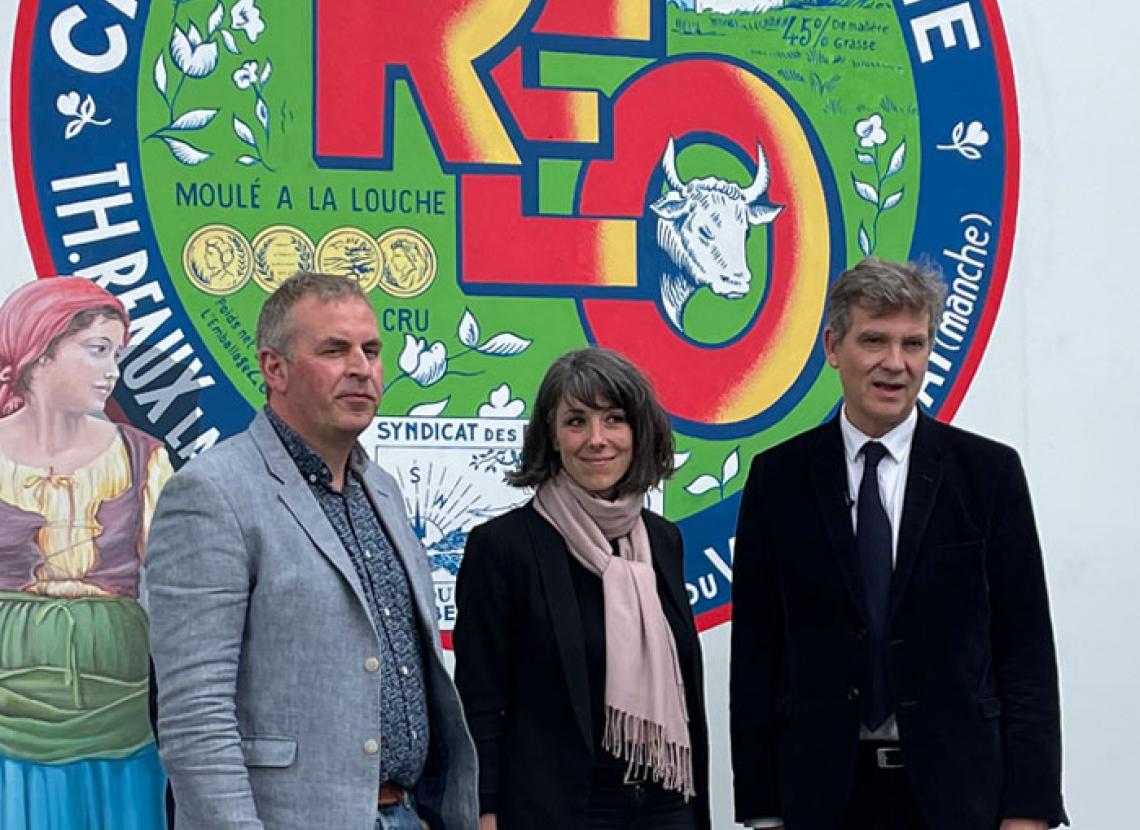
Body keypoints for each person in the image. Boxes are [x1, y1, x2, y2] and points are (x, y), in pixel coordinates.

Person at [730, 257, 1067, 830]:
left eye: (913, 343)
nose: (895, 364)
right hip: (822, 797)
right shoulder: (778, 479)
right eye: (875, 340)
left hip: (960, 796)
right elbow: (756, 658)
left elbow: (1026, 651)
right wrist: (761, 810)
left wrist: (1029, 809)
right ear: (833, 346)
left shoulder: (989, 475)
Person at [144, 272, 478, 830]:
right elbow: (194, 715)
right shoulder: (212, 493)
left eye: (370, 350)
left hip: (408, 815)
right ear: (274, 368)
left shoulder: (386, 494)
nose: (360, 368)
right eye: (333, 350)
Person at [453, 347, 711, 830]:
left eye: (614, 419)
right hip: (561, 810)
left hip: (666, 806)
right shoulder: (503, 547)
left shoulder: (662, 540)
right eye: (576, 422)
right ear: (551, 436)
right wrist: (483, 812)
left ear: (639, 432)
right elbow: (479, 700)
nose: (597, 440)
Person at [0, 277, 172, 829]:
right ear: (41, 352)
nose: (112, 371)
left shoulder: (142, 458)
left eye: (117, 355)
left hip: (119, 711)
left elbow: (180, 589)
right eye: (98, 351)